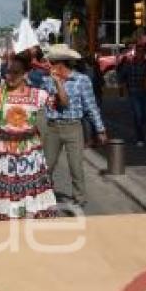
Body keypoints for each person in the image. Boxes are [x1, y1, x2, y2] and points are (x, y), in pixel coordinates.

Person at [0, 54, 58, 221]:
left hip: (29, 154)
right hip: (2, 152)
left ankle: (24, 221)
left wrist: (58, 81)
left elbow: (61, 105)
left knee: (27, 195)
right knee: (4, 193)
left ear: (25, 74)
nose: (9, 76)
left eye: (15, 72)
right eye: (7, 72)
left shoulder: (38, 95)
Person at [42, 44, 108, 207]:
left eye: (50, 62)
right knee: (47, 165)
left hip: (73, 127)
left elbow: (91, 106)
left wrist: (100, 129)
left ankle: (79, 197)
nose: (48, 64)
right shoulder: (47, 80)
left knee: (75, 165)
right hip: (53, 127)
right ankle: (44, 194)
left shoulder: (81, 80)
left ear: (59, 63)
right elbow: (46, 103)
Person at [118, 40, 146, 146]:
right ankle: (140, 137)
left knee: (145, 115)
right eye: (138, 52)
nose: (140, 54)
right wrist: (122, 91)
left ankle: (140, 129)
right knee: (138, 115)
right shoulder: (129, 64)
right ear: (136, 52)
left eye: (142, 52)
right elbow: (121, 77)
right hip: (134, 93)